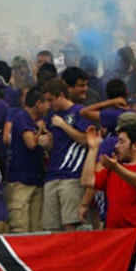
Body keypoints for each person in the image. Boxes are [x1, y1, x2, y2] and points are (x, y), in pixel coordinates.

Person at [80, 122, 136, 229]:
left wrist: (116, 168)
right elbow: (87, 180)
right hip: (116, 235)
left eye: (121, 142)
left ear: (135, 146)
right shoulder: (113, 169)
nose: (116, 146)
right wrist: (93, 149)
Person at [40, 78, 91, 231]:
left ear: (61, 95)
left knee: (70, 223)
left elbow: (85, 139)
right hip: (52, 174)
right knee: (51, 226)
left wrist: (64, 125)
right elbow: (55, 146)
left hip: (72, 175)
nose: (49, 105)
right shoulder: (51, 116)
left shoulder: (79, 112)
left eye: (51, 100)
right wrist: (47, 144)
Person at [4, 87, 48, 233]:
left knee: (37, 229)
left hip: (37, 180)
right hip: (21, 181)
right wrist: (40, 130)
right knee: (20, 227)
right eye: (45, 102)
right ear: (38, 104)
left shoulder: (38, 120)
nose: (48, 106)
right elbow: (31, 143)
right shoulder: (21, 116)